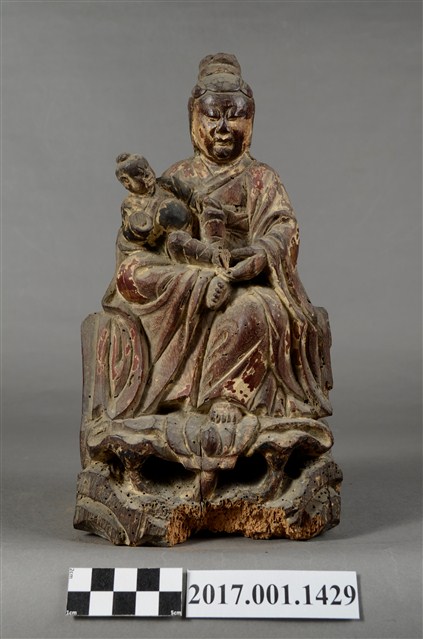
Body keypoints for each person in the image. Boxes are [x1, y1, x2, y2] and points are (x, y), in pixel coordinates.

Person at [102, 53, 333, 425]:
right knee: (131, 274)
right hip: (188, 270)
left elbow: (283, 228)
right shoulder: (177, 175)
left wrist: (259, 255)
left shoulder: (260, 178)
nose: (223, 128)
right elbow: (151, 239)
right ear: (194, 120)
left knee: (256, 308)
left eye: (234, 116)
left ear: (250, 121)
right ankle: (200, 290)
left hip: (239, 276)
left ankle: (226, 397)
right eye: (212, 116)